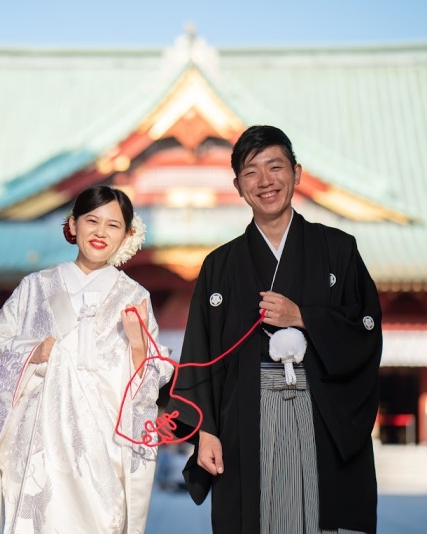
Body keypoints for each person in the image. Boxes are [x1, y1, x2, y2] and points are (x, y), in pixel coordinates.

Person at [168, 125, 382, 533]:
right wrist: (206, 432)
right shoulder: (220, 265)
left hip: (321, 414)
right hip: (245, 421)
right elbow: (199, 352)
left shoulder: (339, 249)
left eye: (276, 167)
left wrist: (304, 316)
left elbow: (366, 331)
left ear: (297, 173)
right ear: (237, 185)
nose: (265, 182)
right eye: (251, 172)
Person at [0, 185, 174, 534]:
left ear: (126, 235)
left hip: (102, 444)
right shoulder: (35, 287)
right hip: (37, 441)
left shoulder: (134, 295)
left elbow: (152, 376)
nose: (100, 232)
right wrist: (32, 351)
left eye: (113, 225)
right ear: (73, 225)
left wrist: (138, 344)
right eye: (91, 220)